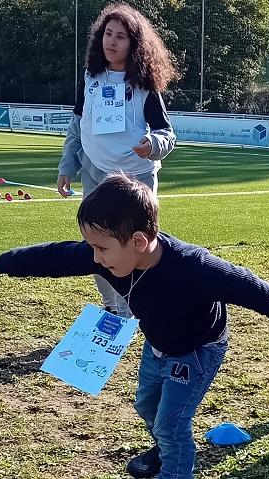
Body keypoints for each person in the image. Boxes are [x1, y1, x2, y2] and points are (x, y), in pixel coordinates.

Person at [0, 172, 269, 479]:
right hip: (158, 344)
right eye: (92, 248)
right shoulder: (110, 256)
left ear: (138, 241)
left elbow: (245, 283)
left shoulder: (193, 266)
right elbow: (56, 257)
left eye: (101, 249)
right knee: (147, 405)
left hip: (197, 351)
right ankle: (167, 451)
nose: (95, 258)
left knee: (171, 423)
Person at [57, 2, 179, 317]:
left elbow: (167, 134)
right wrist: (67, 167)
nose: (111, 42)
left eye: (120, 37)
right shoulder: (90, 78)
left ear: (134, 43)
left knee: (132, 248)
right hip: (95, 175)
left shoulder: (144, 86)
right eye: (108, 34)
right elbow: (77, 127)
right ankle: (113, 307)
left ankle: (133, 308)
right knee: (98, 246)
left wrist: (152, 144)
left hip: (136, 180)